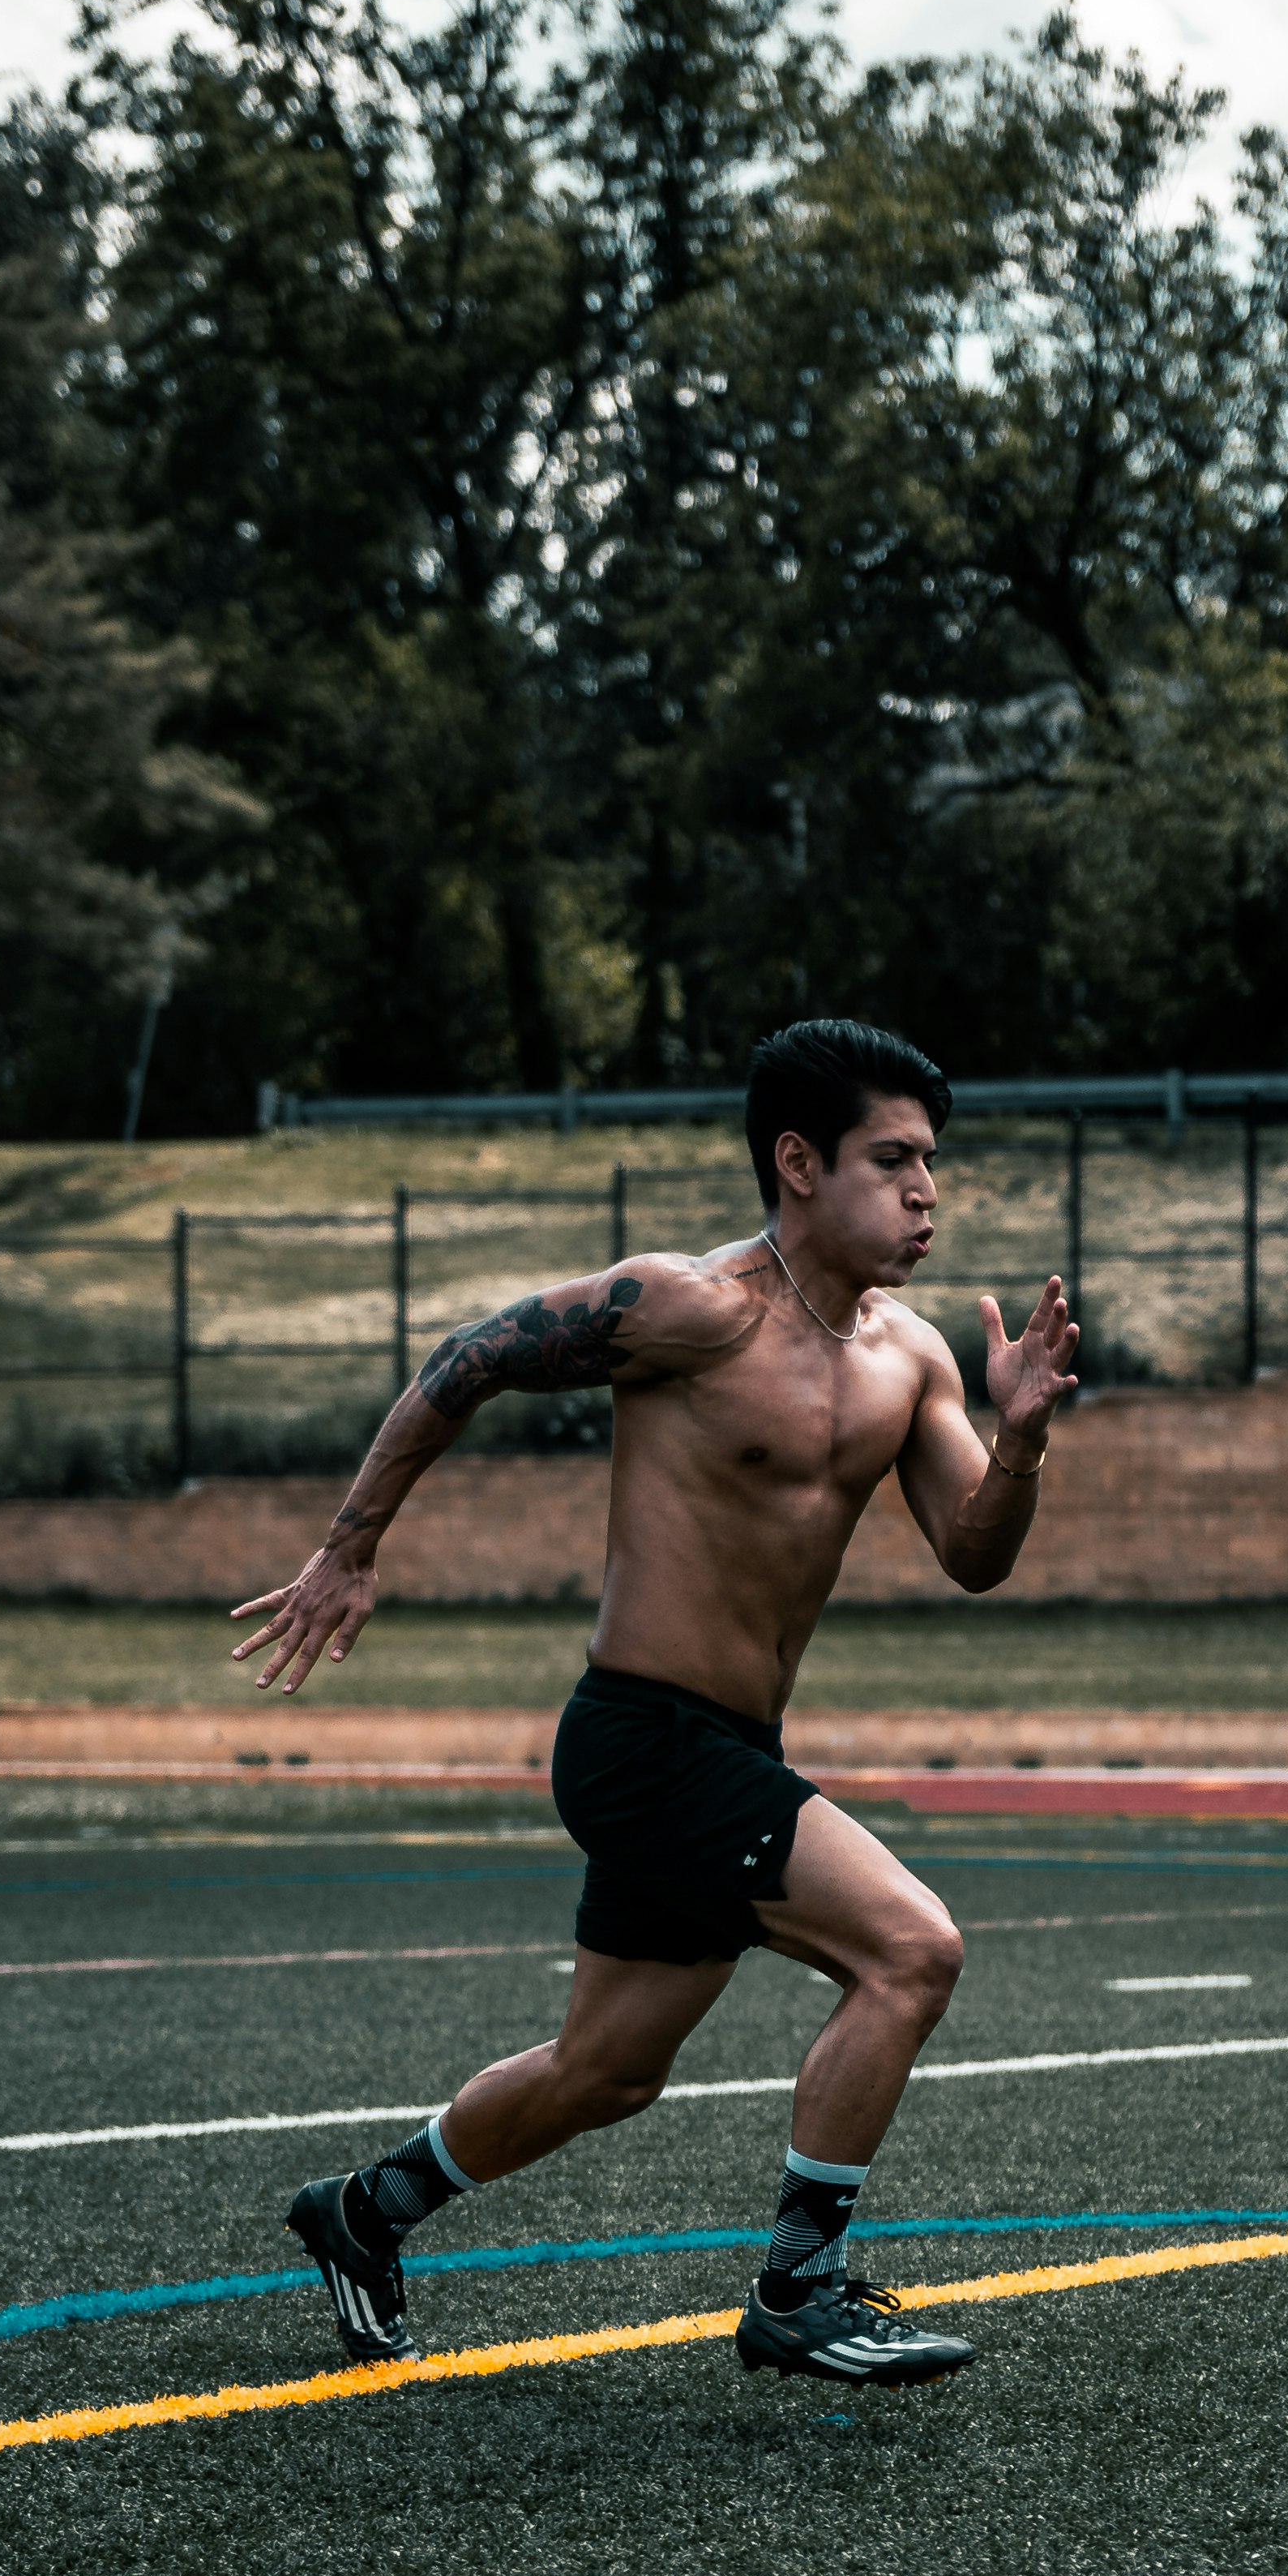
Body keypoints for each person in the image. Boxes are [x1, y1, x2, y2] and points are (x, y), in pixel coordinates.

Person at [229, 1018, 1078, 2386]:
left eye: (934, 1164)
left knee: (604, 2074)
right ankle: (801, 2289)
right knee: (912, 1951)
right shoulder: (691, 1308)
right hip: (640, 1735)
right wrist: (350, 1544)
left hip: (731, 1746)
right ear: (798, 1162)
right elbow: (471, 1356)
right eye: (894, 1159)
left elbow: (976, 1555)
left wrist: (1023, 1440)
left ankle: (363, 2213)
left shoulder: (913, 1359)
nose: (928, 1192)